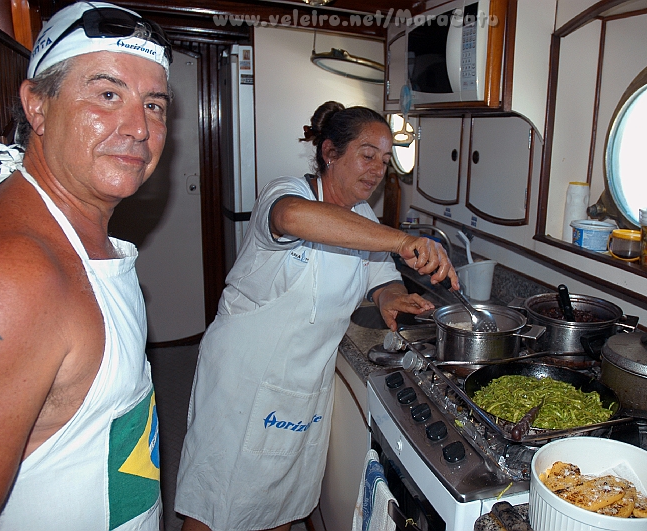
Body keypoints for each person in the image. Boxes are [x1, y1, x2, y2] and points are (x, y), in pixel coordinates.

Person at [175, 101, 459, 531]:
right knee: (219, 501)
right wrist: (403, 241)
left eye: (385, 161)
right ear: (330, 152)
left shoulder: (364, 217)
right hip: (245, 378)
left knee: (280, 500)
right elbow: (292, 218)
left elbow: (380, 276)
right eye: (367, 155)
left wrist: (391, 298)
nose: (377, 170)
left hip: (305, 382)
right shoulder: (288, 192)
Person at [0, 2, 173, 530]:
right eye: (107, 94)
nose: (138, 128)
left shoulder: (81, 240)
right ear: (37, 106)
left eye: (154, 104)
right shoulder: (14, 276)